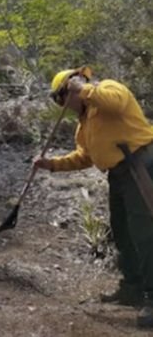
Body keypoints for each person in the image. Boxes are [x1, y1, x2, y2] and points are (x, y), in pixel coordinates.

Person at [34, 67, 153, 327]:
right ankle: (132, 288)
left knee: (145, 232)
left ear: (71, 89)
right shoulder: (84, 123)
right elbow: (85, 157)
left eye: (61, 97)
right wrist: (51, 164)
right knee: (123, 232)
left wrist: (83, 88)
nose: (62, 105)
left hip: (139, 166)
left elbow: (117, 102)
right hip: (118, 176)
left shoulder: (108, 89)